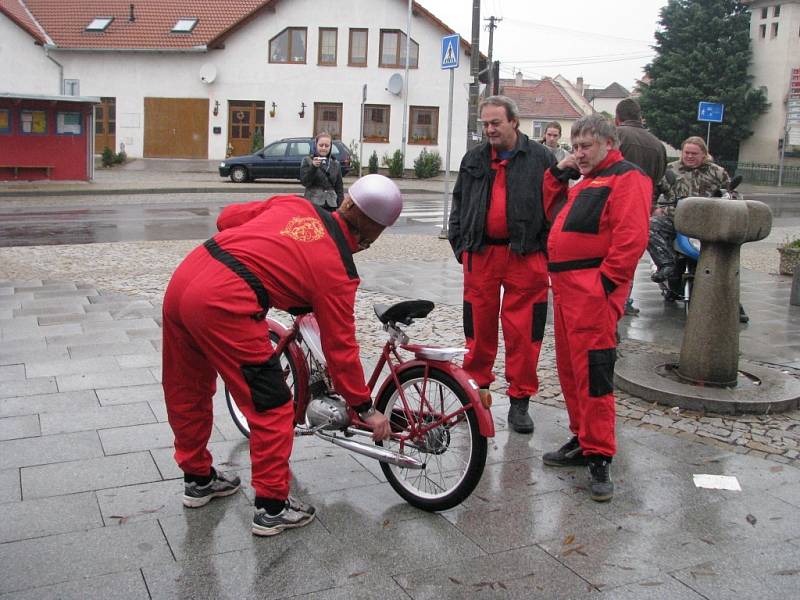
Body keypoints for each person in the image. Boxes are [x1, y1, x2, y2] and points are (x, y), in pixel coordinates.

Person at [161, 174, 401, 536]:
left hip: (186, 278)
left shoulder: (294, 205)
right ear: (373, 237)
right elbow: (340, 348)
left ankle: (198, 479)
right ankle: (272, 507)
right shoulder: (336, 273)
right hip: (224, 302)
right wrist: (364, 406)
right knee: (272, 405)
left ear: (346, 202)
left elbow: (226, 219)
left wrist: (273, 240)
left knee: (187, 387)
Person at [541, 114, 651, 502]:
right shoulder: (587, 180)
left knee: (594, 374)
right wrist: (560, 171)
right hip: (569, 290)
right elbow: (549, 208)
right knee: (571, 372)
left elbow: (631, 237)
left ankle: (600, 454)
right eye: (575, 146)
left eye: (586, 146)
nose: (580, 153)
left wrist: (604, 286)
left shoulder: (627, 178)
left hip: (591, 292)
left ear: (609, 143)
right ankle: (583, 438)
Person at [448, 95, 555, 434]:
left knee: (523, 332)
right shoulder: (474, 158)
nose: (489, 129)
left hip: (526, 256)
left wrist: (547, 253)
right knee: (478, 329)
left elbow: (555, 206)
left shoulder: (541, 157)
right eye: (485, 124)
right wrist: (459, 245)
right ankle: (476, 393)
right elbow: (459, 200)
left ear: (514, 122)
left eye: (495, 123)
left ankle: (520, 400)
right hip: (481, 254)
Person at [648, 136, 749, 323]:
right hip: (674, 219)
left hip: (706, 224)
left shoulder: (717, 172)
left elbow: (731, 193)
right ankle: (666, 265)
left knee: (722, 260)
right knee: (648, 227)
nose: (689, 156)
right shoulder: (670, 170)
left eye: (694, 153)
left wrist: (730, 198)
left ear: (704, 154)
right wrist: (655, 208)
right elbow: (652, 191)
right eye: (686, 152)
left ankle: (733, 304)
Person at [615, 97, 667, 317]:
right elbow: (660, 178)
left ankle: (614, 303)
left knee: (610, 258)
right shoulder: (657, 145)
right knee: (629, 259)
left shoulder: (617, 136)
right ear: (639, 117)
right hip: (642, 210)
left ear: (618, 118)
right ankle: (625, 300)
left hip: (615, 205)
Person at [299, 131, 344, 211]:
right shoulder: (307, 160)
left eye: (327, 146)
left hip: (331, 204)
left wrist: (341, 207)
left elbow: (339, 187)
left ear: (330, 147)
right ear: (316, 145)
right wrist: (313, 167)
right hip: (313, 203)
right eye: (321, 145)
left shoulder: (335, 163)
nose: (323, 148)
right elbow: (305, 182)